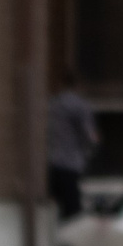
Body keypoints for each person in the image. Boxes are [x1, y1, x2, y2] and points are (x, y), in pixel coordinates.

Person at [47, 69, 101, 221]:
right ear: (77, 84)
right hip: (70, 164)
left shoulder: (53, 103)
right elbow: (90, 136)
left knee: (53, 209)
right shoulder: (79, 105)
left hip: (52, 162)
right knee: (73, 212)